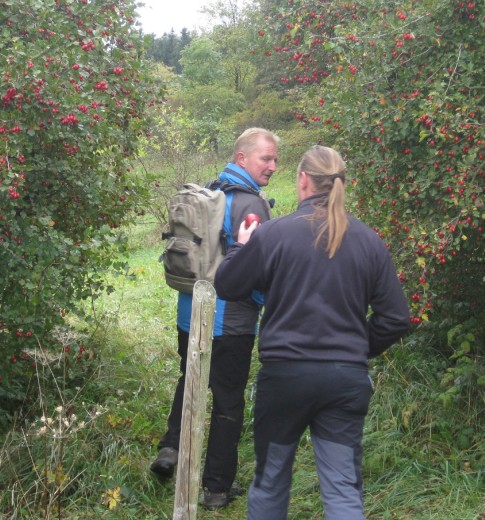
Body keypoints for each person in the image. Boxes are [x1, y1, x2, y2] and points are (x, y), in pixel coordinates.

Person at [214, 145, 412, 520]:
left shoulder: (274, 234)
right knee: (342, 488)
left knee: (271, 482)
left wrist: (240, 246)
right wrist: (354, 349)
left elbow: (228, 285)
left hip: (285, 378)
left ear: (303, 180)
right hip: (345, 380)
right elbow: (397, 318)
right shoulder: (369, 240)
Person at [150, 127, 280, 511]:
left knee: (188, 380)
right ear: (242, 158)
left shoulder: (211, 191)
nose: (272, 166)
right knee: (228, 403)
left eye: (275, 160)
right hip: (231, 322)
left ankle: (170, 449)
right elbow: (255, 271)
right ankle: (217, 488)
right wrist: (267, 301)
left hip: (189, 314)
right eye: (265, 158)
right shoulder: (250, 205)